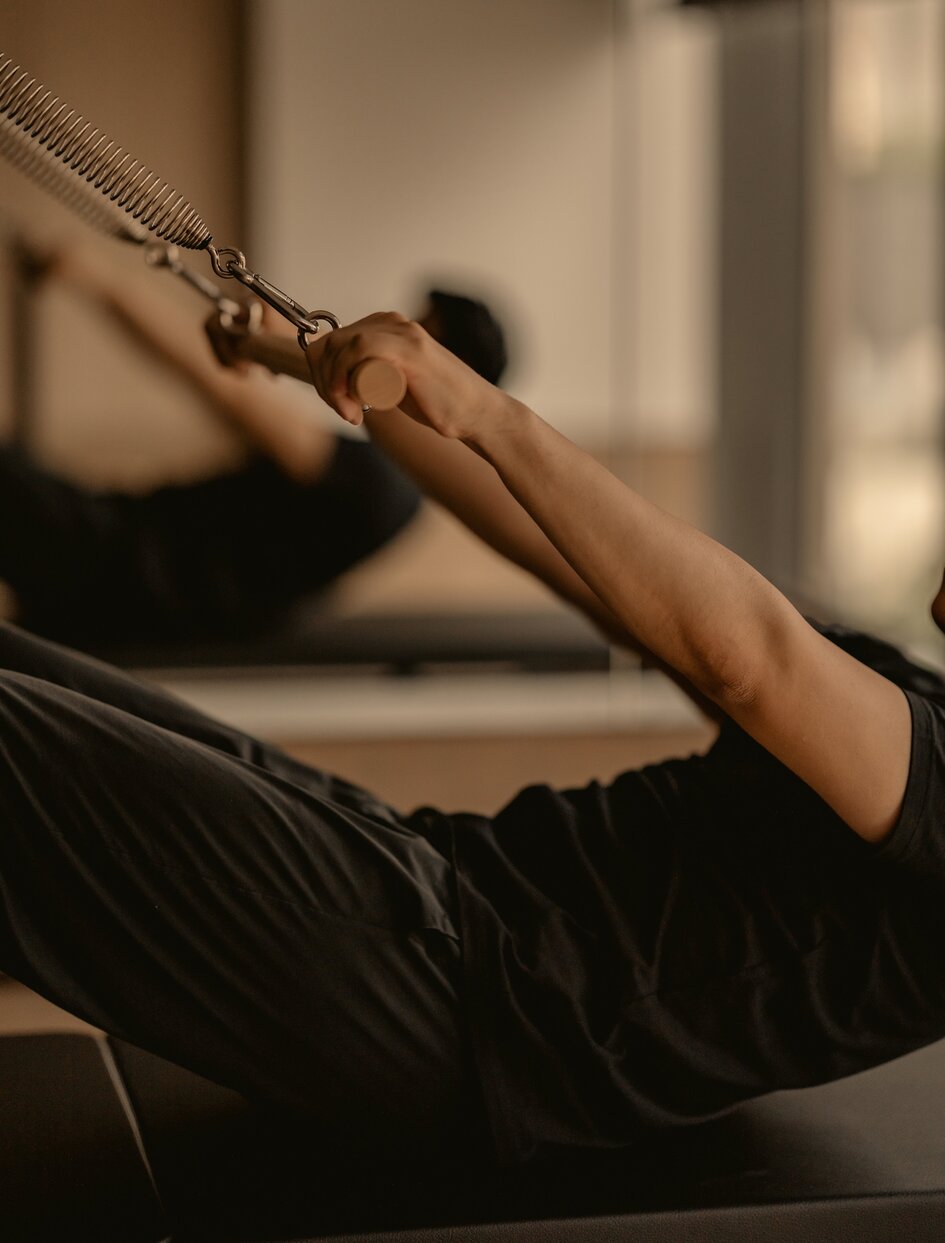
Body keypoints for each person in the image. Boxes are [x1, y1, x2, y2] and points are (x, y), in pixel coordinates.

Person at [0, 308, 943, 1169]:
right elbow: (564, 557)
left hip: (474, 1007)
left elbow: (750, 659)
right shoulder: (907, 700)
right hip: (435, 882)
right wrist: (299, 358)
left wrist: (493, 414)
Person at [0, 243, 507, 648]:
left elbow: (226, 394)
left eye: (416, 334)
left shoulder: (382, 485)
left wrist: (101, 282)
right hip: (119, 572)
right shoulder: (386, 480)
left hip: (118, 575)